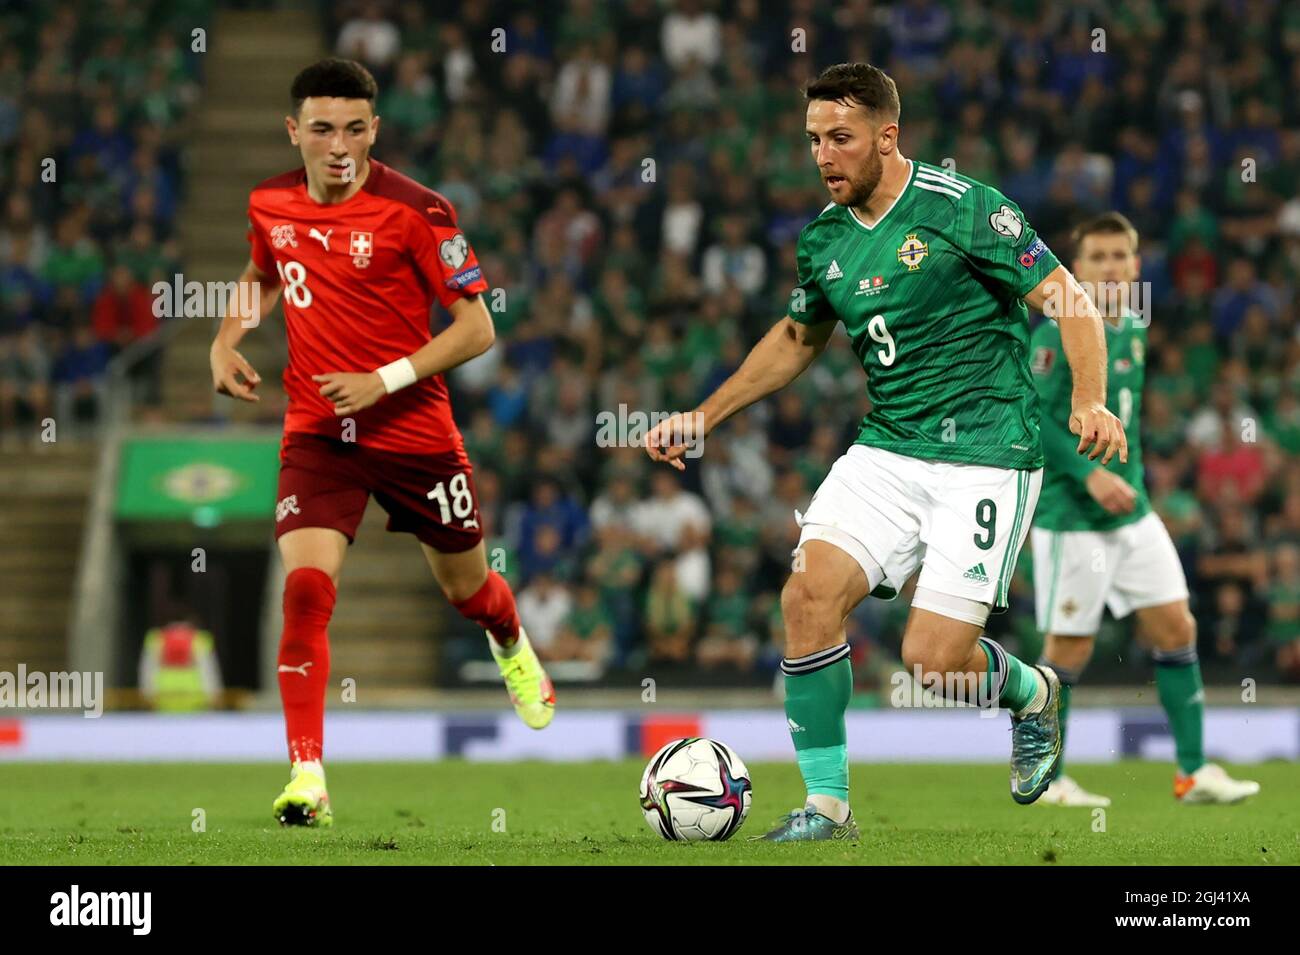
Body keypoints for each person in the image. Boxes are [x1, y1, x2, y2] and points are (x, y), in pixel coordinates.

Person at [645, 62, 1126, 840]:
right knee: (806, 596)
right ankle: (828, 807)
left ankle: (1035, 692)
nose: (823, 156)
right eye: (812, 140)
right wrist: (706, 415)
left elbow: (1071, 300)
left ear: (887, 136)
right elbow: (799, 337)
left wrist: (1087, 396)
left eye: (840, 138)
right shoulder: (825, 241)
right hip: (889, 449)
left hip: (988, 449)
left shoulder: (963, 208)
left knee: (931, 660)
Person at [209, 59, 554, 828]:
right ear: (293, 130)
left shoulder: (418, 211)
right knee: (304, 593)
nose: (339, 145)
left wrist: (384, 378)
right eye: (323, 128)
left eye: (355, 129)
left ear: (376, 130)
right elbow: (263, 271)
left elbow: (478, 326)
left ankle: (508, 635)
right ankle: (307, 774)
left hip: (413, 432)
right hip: (318, 430)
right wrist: (225, 338)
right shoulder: (269, 201)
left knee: (468, 591)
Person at [1030, 212, 1259, 806]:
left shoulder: (1131, 324)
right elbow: (1034, 420)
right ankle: (1049, 780)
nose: (1109, 267)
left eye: (1119, 257)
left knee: (1177, 627)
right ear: (1075, 269)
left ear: (1136, 266)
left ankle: (1192, 772)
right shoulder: (1056, 333)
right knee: (1067, 652)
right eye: (1097, 258)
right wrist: (1090, 475)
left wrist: (1125, 477)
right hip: (1071, 518)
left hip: (1133, 514)